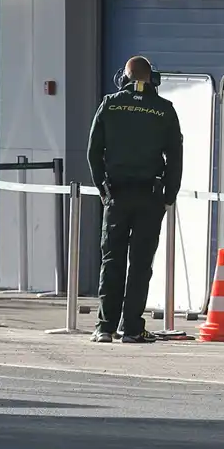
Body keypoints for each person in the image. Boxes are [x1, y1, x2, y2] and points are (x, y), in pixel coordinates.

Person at [87, 56, 183, 344]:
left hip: (116, 195)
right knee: (140, 264)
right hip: (149, 198)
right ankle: (131, 329)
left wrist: (103, 189)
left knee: (112, 260)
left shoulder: (109, 104)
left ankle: (104, 327)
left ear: (125, 77)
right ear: (150, 77)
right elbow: (175, 157)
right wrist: (169, 194)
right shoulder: (165, 110)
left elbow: (93, 152)